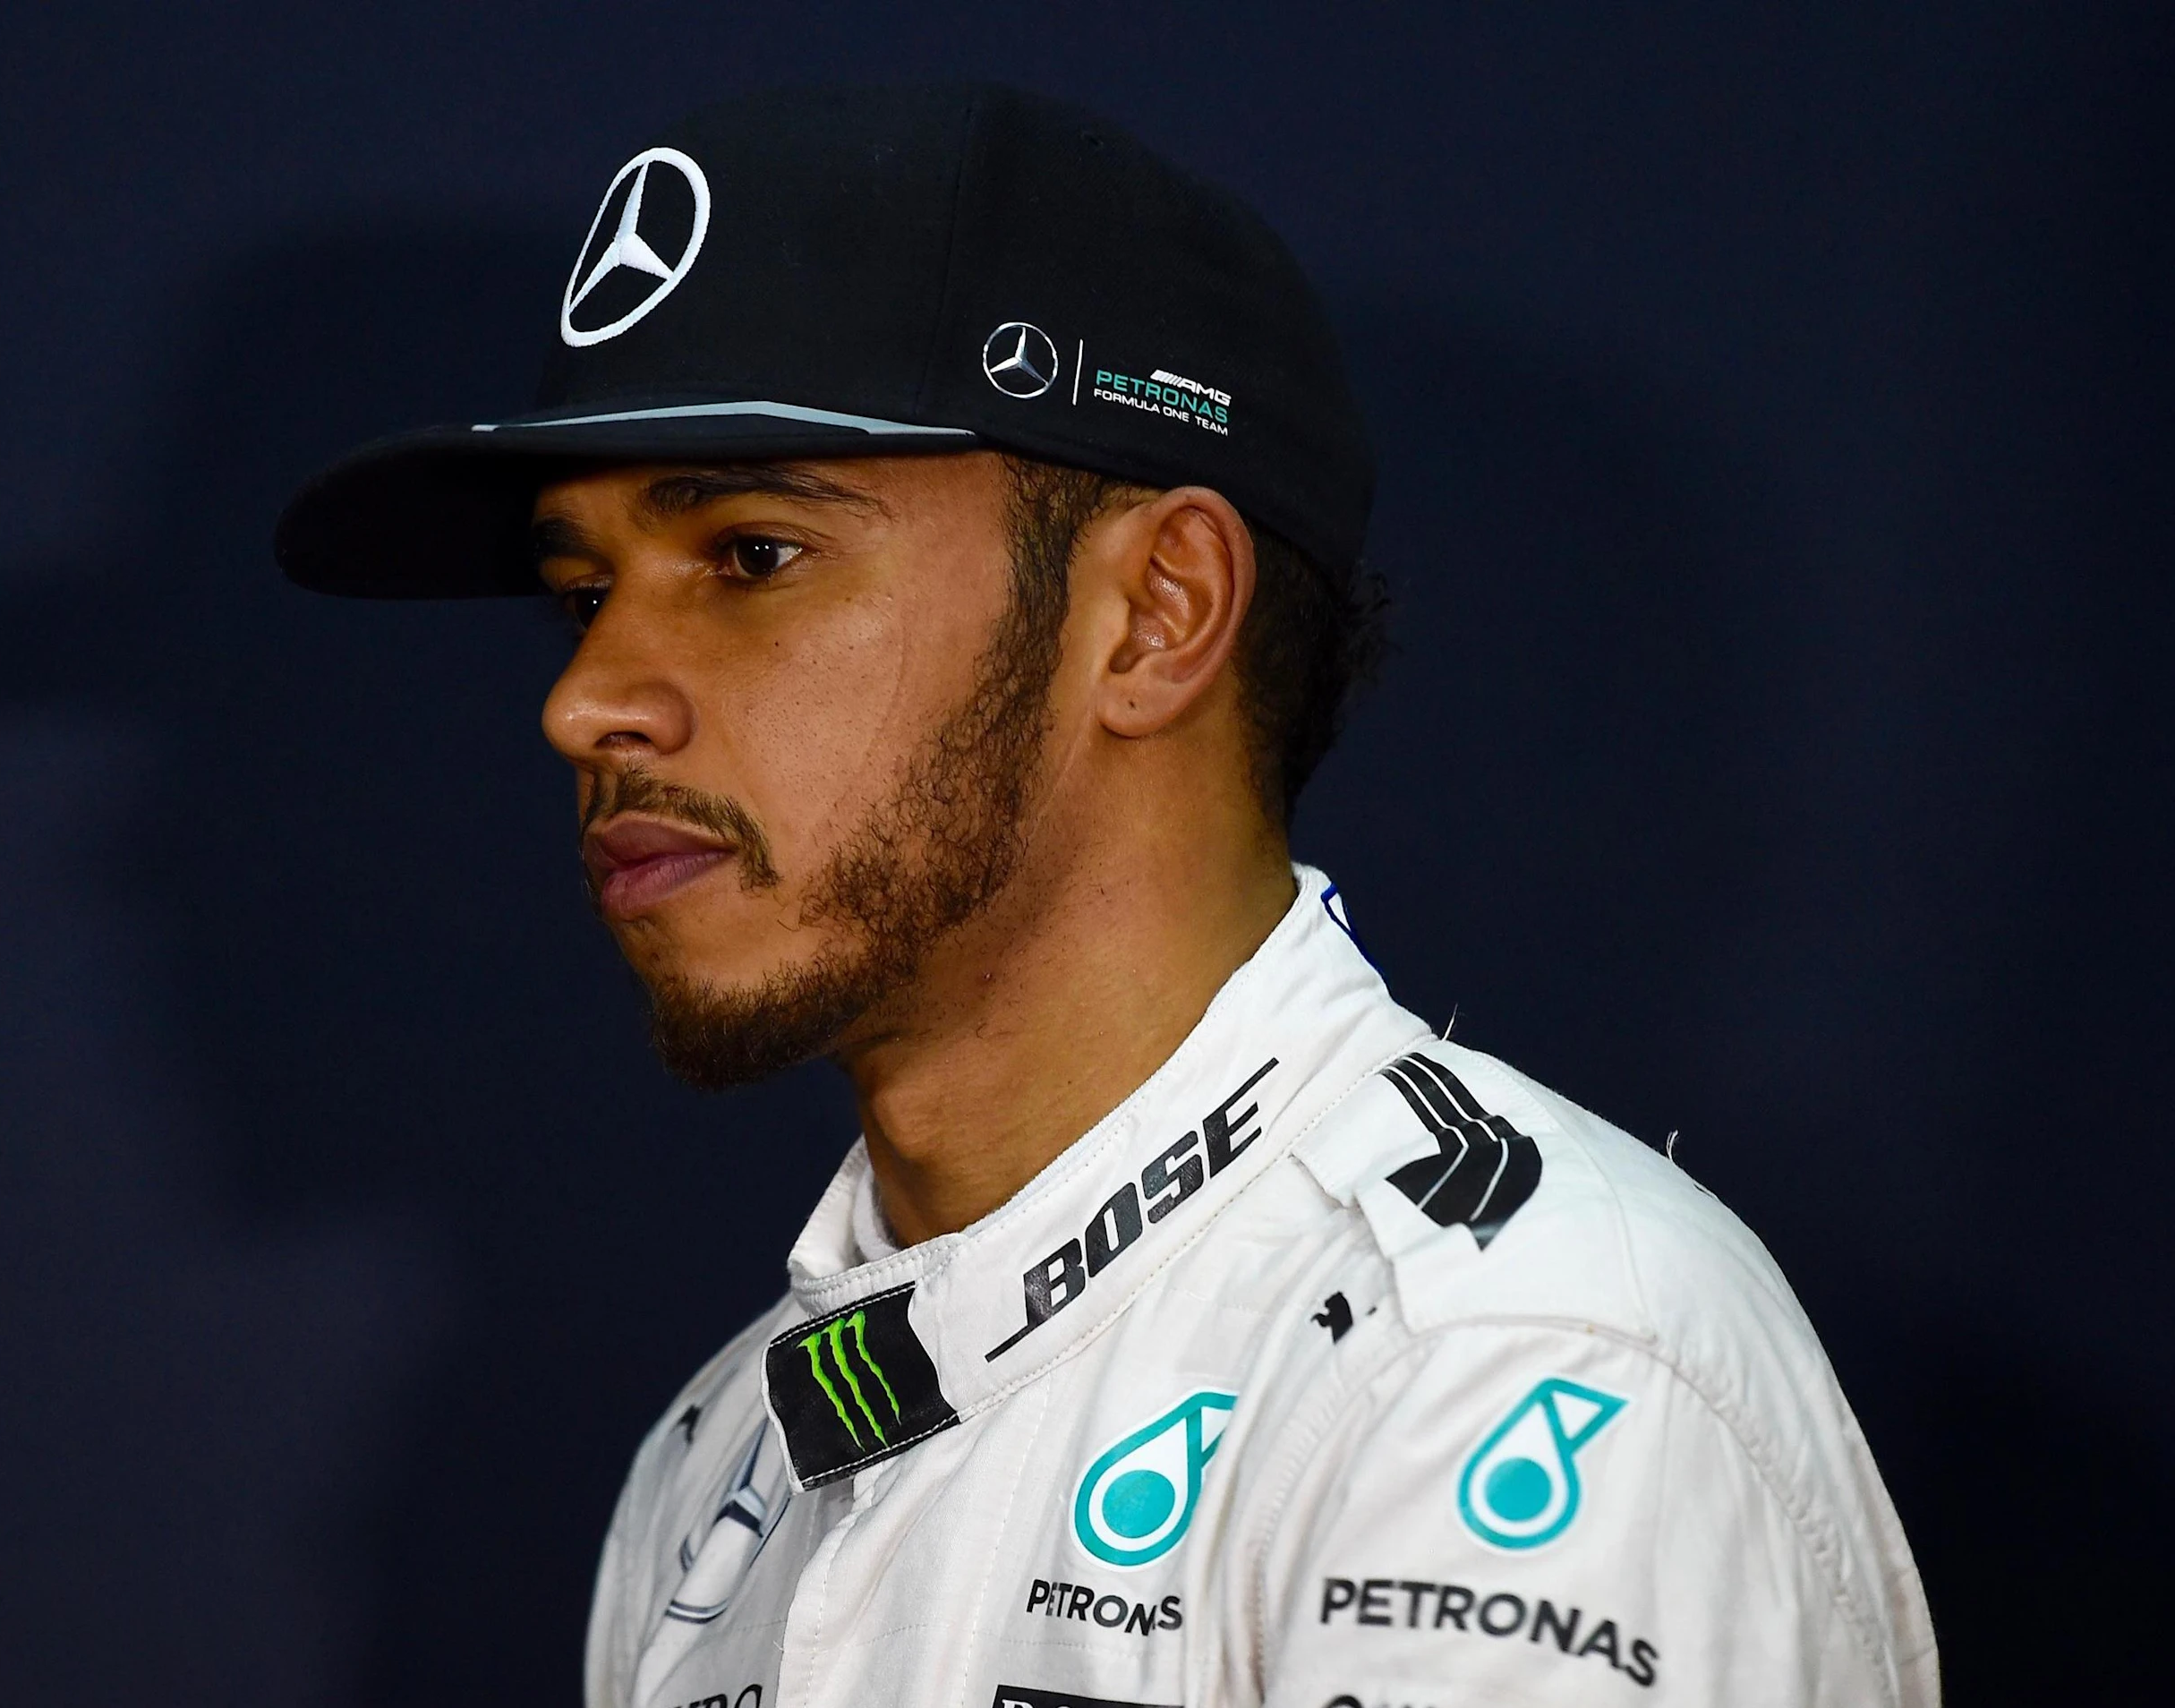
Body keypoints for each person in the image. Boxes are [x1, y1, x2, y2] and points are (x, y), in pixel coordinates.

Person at [276, 84, 1937, 1708]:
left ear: (1154, 616)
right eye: (582, 595)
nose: (586, 704)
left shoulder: (1517, 1368)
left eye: (751, 557)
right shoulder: (726, 1465)